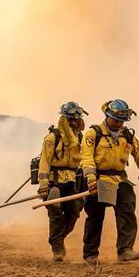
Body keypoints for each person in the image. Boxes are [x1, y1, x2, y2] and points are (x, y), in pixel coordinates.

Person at [80, 99, 139, 265]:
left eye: (122, 121)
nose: (119, 123)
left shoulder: (127, 135)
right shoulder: (93, 134)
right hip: (100, 179)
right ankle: (90, 254)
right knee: (96, 217)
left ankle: (125, 250)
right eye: (116, 120)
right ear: (107, 116)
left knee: (127, 210)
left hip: (120, 179)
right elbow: (87, 157)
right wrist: (90, 178)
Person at [37, 101, 88, 261]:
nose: (73, 122)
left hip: (73, 181)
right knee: (56, 214)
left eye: (75, 119)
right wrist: (43, 186)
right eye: (70, 119)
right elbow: (44, 163)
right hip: (54, 183)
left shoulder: (80, 138)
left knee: (74, 212)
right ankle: (57, 248)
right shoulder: (52, 138)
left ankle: (57, 239)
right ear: (64, 119)